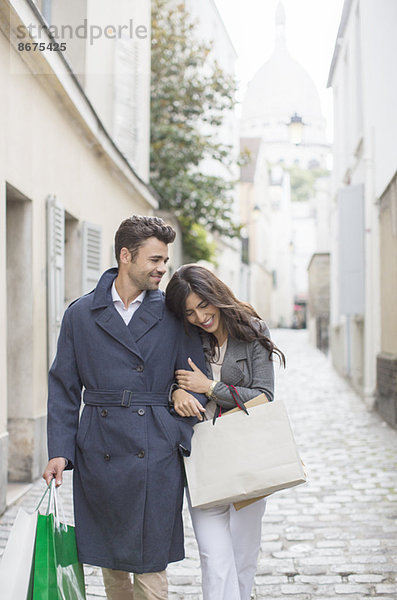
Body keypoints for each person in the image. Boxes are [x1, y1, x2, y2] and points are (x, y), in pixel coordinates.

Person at [42, 216, 207, 600]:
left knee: (151, 567)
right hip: (101, 451)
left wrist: (179, 412)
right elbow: (64, 388)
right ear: (125, 256)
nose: (162, 269)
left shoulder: (174, 314)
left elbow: (196, 380)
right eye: (154, 260)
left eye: (165, 260)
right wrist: (60, 452)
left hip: (156, 453)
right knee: (112, 564)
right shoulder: (80, 315)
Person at [165, 264, 285, 600]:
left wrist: (210, 387)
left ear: (216, 296)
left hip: (247, 459)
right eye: (189, 312)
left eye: (204, 305)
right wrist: (175, 392)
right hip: (201, 458)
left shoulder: (251, 330)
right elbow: (163, 382)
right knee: (214, 559)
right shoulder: (183, 337)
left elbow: (264, 397)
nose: (200, 317)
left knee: (243, 559)